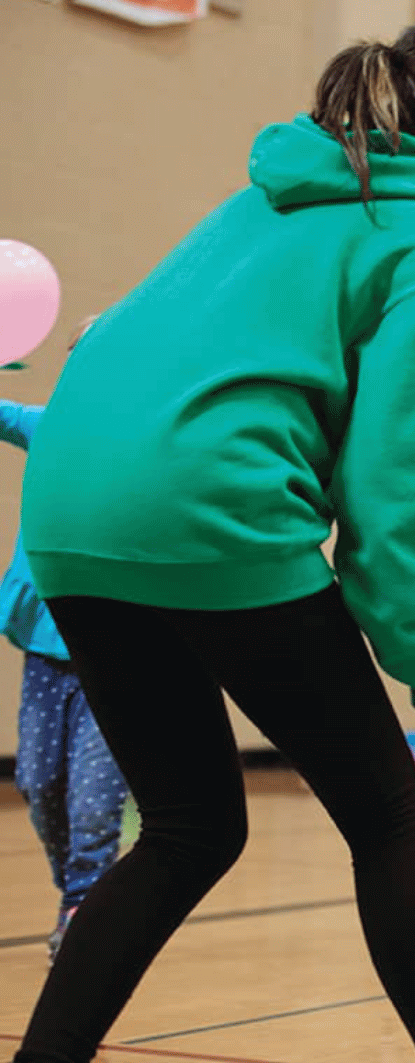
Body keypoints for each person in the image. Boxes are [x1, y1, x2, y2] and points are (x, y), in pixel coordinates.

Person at [12, 17, 415, 1063]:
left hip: (69, 514)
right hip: (214, 512)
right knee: (389, 815)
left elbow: (121, 337)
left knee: (190, 824)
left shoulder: (256, 205)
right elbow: (399, 496)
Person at [4, 317, 129, 962]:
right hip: (48, 651)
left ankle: (86, 905)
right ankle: (79, 895)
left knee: (93, 800)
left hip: (120, 655)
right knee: (40, 783)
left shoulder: (144, 444)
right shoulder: (46, 425)